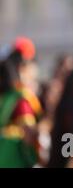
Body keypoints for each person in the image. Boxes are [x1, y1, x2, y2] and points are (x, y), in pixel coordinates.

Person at [0, 37, 41, 167]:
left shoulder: (6, 95)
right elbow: (28, 132)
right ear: (23, 68)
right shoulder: (22, 98)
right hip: (15, 156)